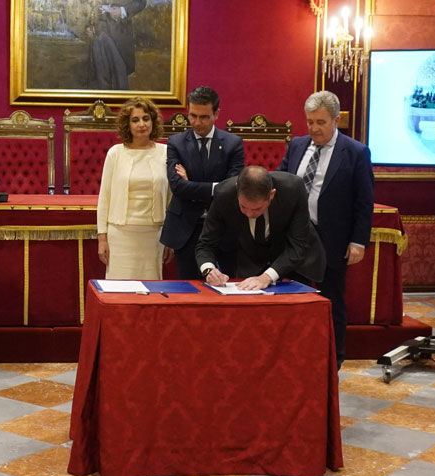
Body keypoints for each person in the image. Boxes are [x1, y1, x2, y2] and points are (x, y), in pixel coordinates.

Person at [278, 90, 374, 368]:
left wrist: (358, 241)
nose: (314, 128)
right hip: (295, 238)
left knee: (331, 300)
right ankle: (293, 355)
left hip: (332, 239)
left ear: (335, 120)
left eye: (320, 122)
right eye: (310, 121)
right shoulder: (297, 145)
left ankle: (334, 358)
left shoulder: (355, 152)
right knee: (292, 297)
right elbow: (280, 183)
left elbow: (364, 201)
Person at [160, 86, 244, 279]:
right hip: (186, 229)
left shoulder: (233, 143)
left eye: (204, 117)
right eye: (192, 116)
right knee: (188, 289)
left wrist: (191, 184)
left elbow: (232, 188)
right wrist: (216, 187)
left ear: (216, 114)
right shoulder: (176, 143)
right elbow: (178, 187)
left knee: (225, 286)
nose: (197, 123)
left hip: (223, 228)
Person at [196, 166, 326, 291]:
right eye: (243, 207)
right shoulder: (223, 193)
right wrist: (209, 269)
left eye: (257, 209)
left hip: (293, 263)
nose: (249, 214)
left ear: (271, 194)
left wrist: (267, 277)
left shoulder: (293, 189)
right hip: (252, 260)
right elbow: (206, 243)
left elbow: (298, 245)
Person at [97, 97, 171, 279]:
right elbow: (104, 198)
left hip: (153, 235)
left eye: (146, 118)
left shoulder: (166, 153)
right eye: (135, 120)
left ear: (153, 121)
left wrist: (170, 237)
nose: (141, 124)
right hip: (120, 234)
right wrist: (102, 238)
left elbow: (172, 199)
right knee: (120, 290)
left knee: (151, 290)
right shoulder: (115, 153)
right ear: (127, 124)